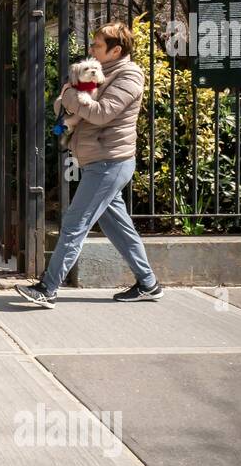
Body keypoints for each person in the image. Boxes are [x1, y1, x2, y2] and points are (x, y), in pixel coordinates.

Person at [15, 21, 162, 308]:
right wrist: (69, 99)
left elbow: (101, 113)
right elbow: (62, 106)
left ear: (115, 50)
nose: (91, 49)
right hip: (98, 160)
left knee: (74, 223)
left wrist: (70, 97)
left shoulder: (129, 77)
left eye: (97, 45)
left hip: (110, 162)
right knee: (119, 227)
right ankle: (149, 283)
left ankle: (48, 287)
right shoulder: (98, 72)